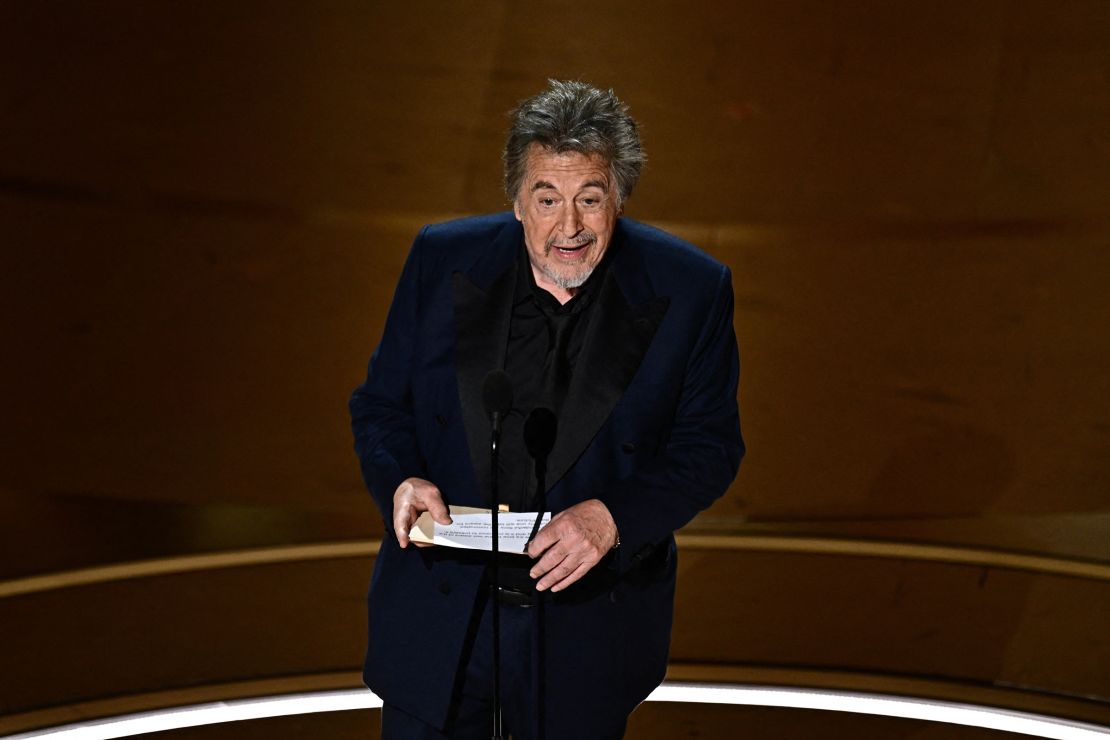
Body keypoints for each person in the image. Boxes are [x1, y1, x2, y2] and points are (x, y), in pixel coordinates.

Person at [350, 79, 743, 740]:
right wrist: (401, 479)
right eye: (547, 198)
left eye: (590, 199)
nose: (570, 228)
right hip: (442, 625)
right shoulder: (441, 258)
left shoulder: (691, 290)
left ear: (617, 197)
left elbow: (709, 448)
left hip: (584, 635)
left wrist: (612, 517)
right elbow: (381, 407)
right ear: (515, 201)